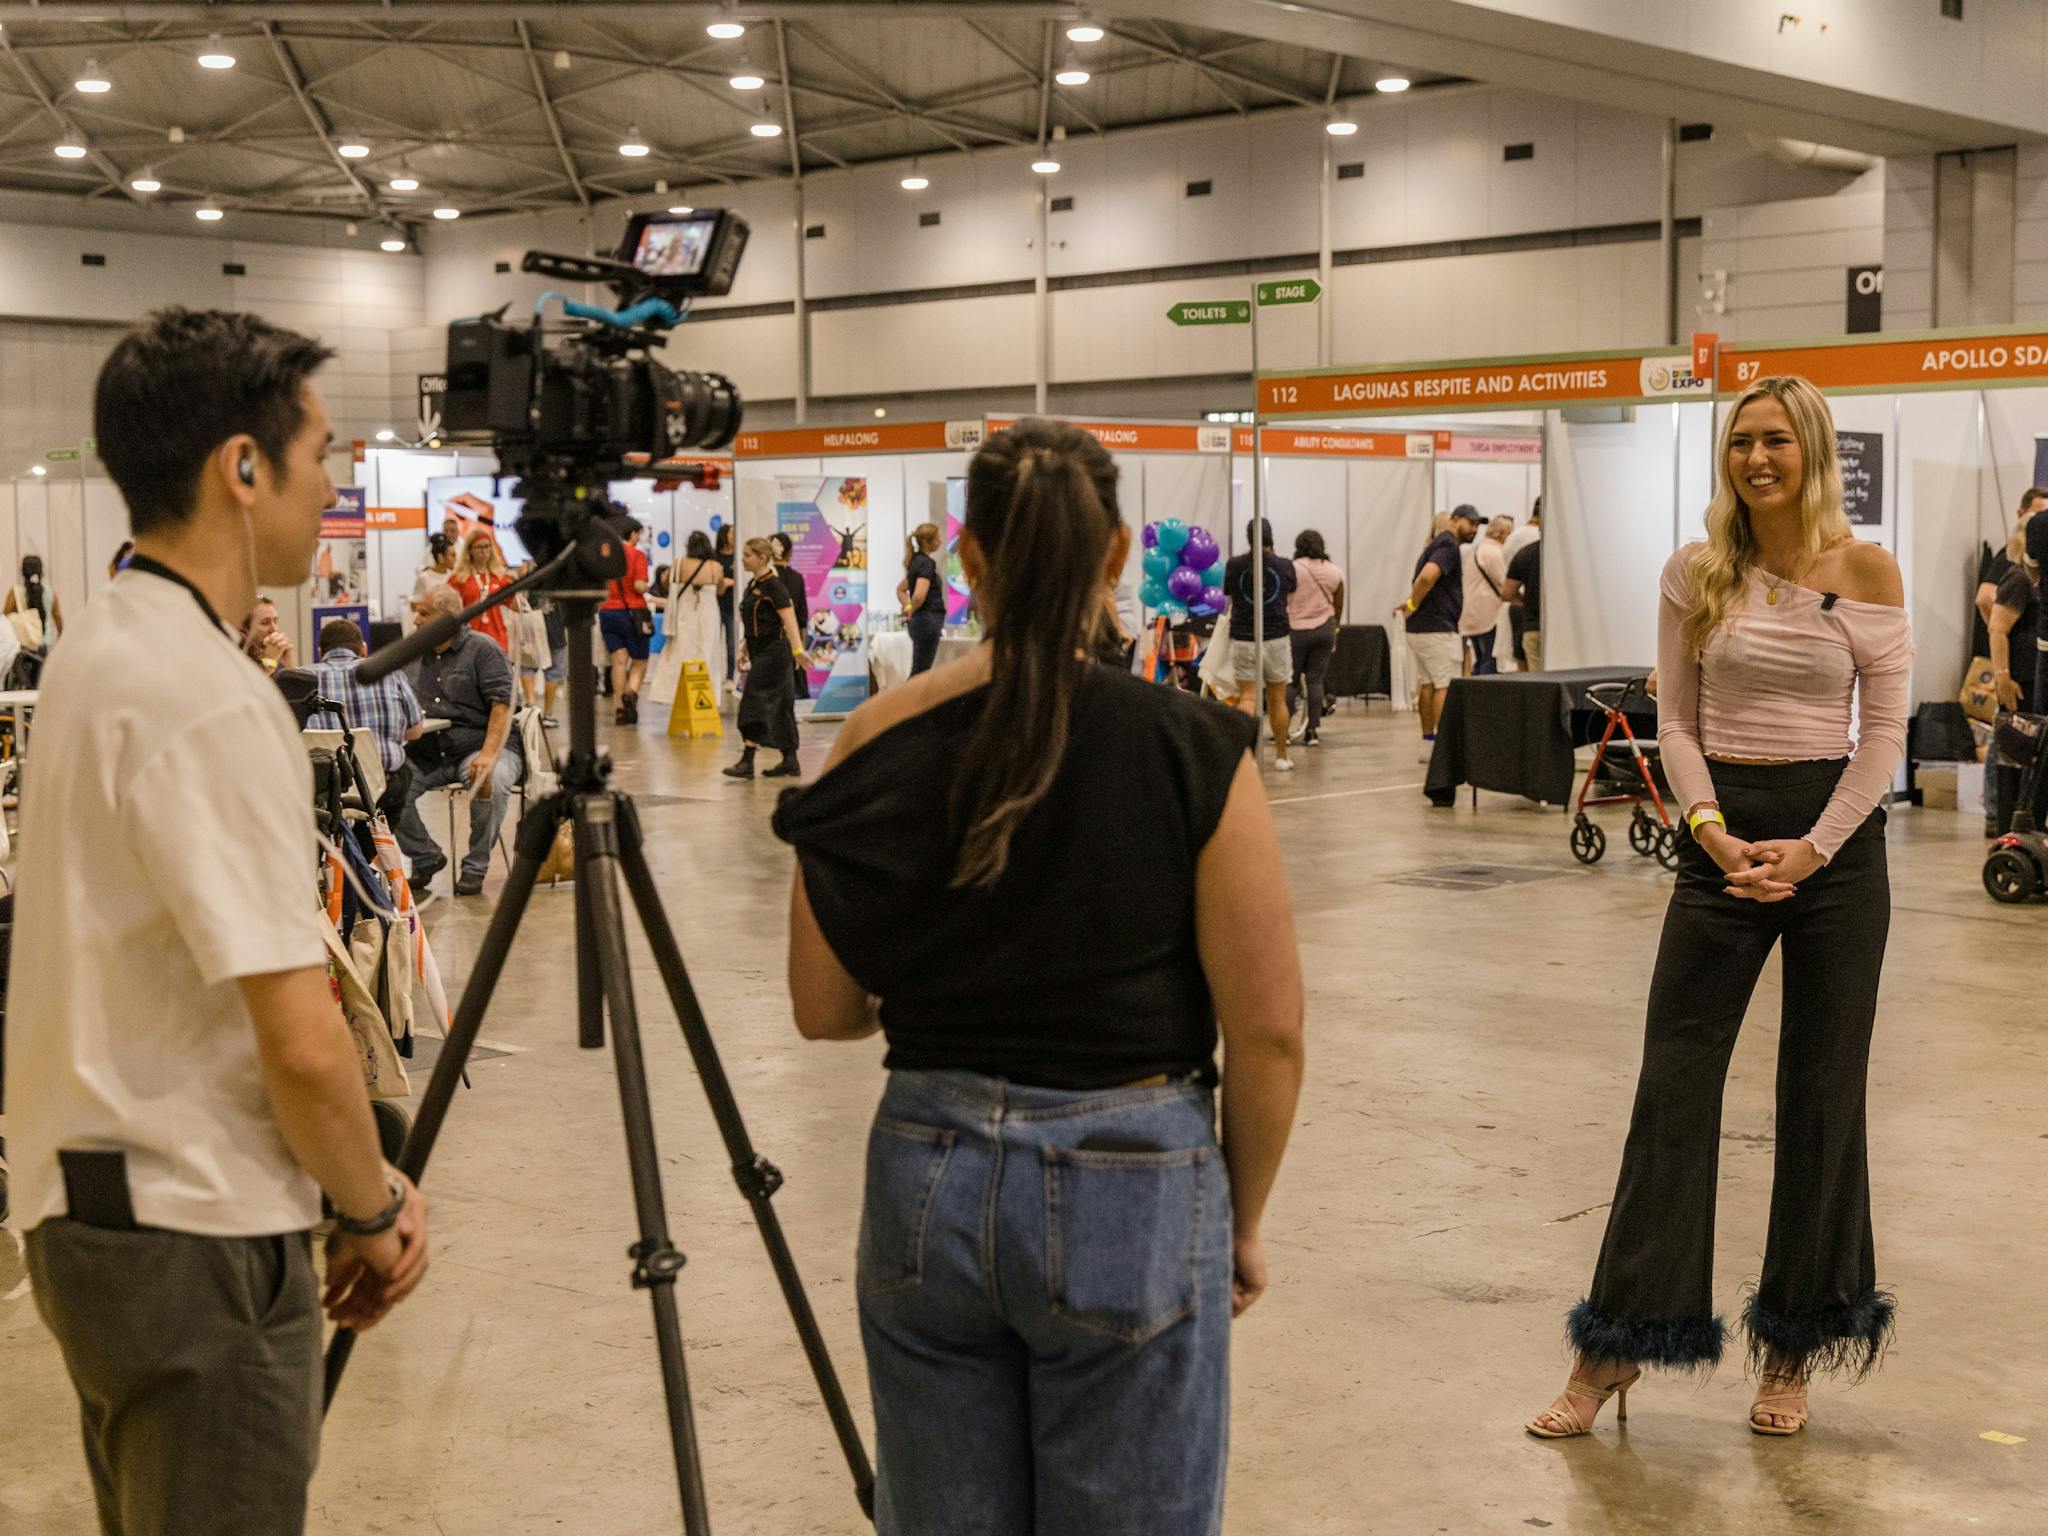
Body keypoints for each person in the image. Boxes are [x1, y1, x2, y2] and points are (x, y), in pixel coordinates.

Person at [771, 418, 1304, 1534]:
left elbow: (824, 1012)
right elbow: (1266, 1034)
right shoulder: (1193, 747)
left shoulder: (872, 735)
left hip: (924, 1177)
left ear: (965, 557)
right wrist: (1238, 1219)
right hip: (1133, 1177)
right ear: (1115, 553)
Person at [10, 307, 429, 1535]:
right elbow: (299, 1035)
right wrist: (371, 1207)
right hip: (195, 1233)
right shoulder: (207, 697)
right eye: (322, 457)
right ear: (241, 469)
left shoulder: (100, 650)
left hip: (89, 1224)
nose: (333, 487)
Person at [1527, 375, 1910, 1443]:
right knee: (1672, 1088)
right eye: (1739, 441)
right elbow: (1677, 720)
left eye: (1773, 441)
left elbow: (1881, 733)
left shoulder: (1865, 569)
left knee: (1821, 1090)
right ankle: (1614, 1345)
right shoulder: (1693, 569)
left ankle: (1790, 1345)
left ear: (1811, 452)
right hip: (1717, 839)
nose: (1754, 459)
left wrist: (1811, 848)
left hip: (1831, 848)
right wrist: (1707, 830)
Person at [395, 583, 522, 899]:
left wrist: (489, 755)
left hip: (480, 746)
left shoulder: (484, 649)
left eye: (424, 614)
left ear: (449, 617)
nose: (416, 622)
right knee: (386, 784)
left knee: (490, 779)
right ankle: (426, 857)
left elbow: (502, 705)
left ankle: (475, 867)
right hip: (428, 752)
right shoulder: (411, 653)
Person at [310, 616, 425, 821]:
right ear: (363, 649)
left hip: (325, 793)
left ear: (320, 653)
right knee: (404, 773)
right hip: (383, 789)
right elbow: (416, 731)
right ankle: (375, 848)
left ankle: (353, 849)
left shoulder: (306, 679)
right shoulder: (389, 673)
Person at [723, 537, 809, 780]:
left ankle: (747, 759)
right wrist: (745, 646)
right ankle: (790, 761)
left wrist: (797, 650)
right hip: (761, 649)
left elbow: (789, 618)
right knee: (782, 706)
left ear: (762, 557)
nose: (742, 558)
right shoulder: (754, 584)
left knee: (753, 700)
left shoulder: (774, 586)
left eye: (748, 554)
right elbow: (756, 620)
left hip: (775, 652)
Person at [1395, 506, 1475, 753]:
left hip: (1421, 629)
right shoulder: (1448, 546)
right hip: (1438, 629)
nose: (1474, 529)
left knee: (1428, 684)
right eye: (1470, 523)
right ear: (1454, 521)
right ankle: (1445, 749)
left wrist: (1412, 604)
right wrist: (1411, 603)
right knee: (1444, 684)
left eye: (1477, 525)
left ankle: (1429, 745)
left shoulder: (1433, 546)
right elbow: (1427, 578)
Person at [1224, 517, 1297, 772]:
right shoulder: (1285, 565)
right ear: (1271, 537)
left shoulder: (1234, 565)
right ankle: (1281, 755)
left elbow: (1231, 597)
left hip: (1244, 637)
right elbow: (1288, 595)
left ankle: (1246, 759)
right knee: (1277, 698)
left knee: (1247, 698)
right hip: (1276, 637)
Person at [1988, 508, 2043, 835]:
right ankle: (2009, 831)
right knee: (2015, 762)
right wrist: (2003, 678)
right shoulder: (2018, 578)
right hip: (2019, 683)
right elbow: (1997, 628)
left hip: (2032, 681)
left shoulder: (2036, 579)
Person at [1285, 529, 1343, 747]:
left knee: (1291, 681)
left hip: (1296, 630)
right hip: (1324, 630)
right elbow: (1338, 605)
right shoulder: (1334, 571)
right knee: (1316, 680)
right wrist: (1335, 631)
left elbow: (1285, 599)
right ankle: (1312, 731)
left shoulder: (1292, 569)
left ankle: (1285, 731)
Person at [600, 517, 654, 724]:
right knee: (640, 660)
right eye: (638, 533)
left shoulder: (606, 555)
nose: (639, 537)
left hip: (608, 612)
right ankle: (630, 692)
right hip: (633, 613)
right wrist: (648, 587)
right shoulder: (637, 555)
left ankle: (620, 709)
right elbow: (640, 585)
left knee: (618, 661)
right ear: (631, 533)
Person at [1458, 514, 1511, 675]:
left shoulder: (1477, 550)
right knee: (1490, 658)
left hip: (1473, 614)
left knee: (1480, 658)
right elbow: (1504, 583)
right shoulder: (1493, 552)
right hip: (1488, 615)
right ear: (1502, 533)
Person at [449, 526, 514, 653]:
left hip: (497, 639)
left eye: (487, 546)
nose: (484, 551)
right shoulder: (459, 579)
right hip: (469, 640)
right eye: (480, 547)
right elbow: (450, 610)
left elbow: (515, 605)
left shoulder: (499, 577)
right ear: (470, 550)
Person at [897, 521, 947, 675]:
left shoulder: (915, 562)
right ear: (928, 542)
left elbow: (901, 589)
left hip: (921, 623)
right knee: (921, 672)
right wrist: (912, 608)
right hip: (927, 622)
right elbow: (919, 596)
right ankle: (907, 699)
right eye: (938, 538)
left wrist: (907, 607)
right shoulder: (926, 564)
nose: (940, 542)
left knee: (919, 669)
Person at [770, 529, 814, 700]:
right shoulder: (797, 578)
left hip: (772, 637)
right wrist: (800, 644)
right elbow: (802, 614)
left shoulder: (767, 579)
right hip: (793, 635)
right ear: (789, 552)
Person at [1503, 526, 1544, 672]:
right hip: (1566, 630)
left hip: (1533, 627)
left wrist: (1526, 602)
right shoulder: (1569, 555)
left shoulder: (1526, 553)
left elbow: (1507, 592)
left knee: (1540, 685)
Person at [6, 553, 62, 654]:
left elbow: (5, 619)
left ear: (23, 572)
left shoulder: (15, 592)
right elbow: (59, 622)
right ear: (41, 572)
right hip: (45, 645)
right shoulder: (51, 593)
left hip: (23, 647)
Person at [409, 530, 456, 629]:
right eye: (452, 555)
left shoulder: (453, 577)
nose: (455, 559)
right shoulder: (424, 577)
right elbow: (414, 605)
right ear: (440, 557)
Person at [240, 593, 296, 672]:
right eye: (265, 622)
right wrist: (269, 662)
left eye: (275, 621)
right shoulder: (237, 658)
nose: (274, 628)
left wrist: (290, 665)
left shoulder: (277, 657)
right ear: (246, 630)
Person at [715, 523, 738, 681]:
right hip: (715, 605)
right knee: (713, 643)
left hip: (731, 606)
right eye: (731, 533)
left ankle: (730, 676)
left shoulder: (737, 557)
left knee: (731, 643)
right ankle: (714, 675)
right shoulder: (714, 557)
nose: (733, 536)